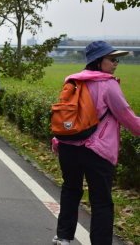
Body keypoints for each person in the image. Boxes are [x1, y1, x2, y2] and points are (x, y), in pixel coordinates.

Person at [52, 41, 140, 245]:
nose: (116, 63)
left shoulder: (72, 80)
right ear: (98, 61)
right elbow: (125, 115)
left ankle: (63, 237)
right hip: (97, 150)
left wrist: (58, 138)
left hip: (68, 146)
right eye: (112, 59)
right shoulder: (108, 84)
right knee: (101, 201)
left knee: (70, 190)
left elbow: (65, 113)